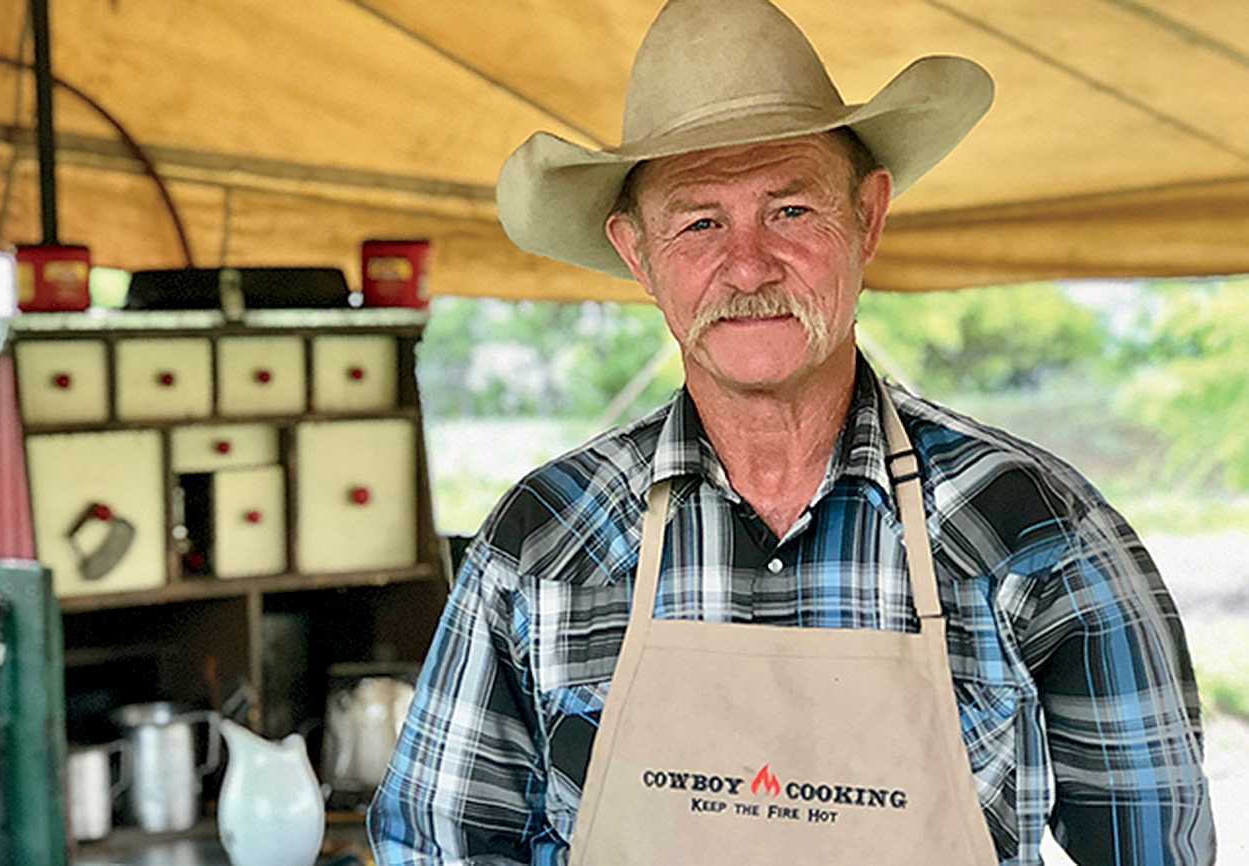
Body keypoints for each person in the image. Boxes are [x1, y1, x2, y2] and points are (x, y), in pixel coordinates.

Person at [368, 0, 1216, 863]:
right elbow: (441, 844)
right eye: (700, 222)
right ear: (638, 254)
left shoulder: (1035, 528)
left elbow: (1154, 847)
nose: (747, 266)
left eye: (791, 210)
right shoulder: (542, 539)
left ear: (868, 218)